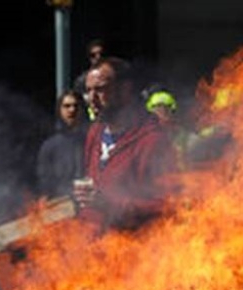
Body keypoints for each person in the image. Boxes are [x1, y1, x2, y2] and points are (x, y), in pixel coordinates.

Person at [73, 57, 177, 231]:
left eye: (100, 89)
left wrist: (110, 204)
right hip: (92, 249)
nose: (91, 99)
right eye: (88, 91)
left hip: (128, 250)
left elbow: (166, 206)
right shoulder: (95, 132)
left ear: (125, 89)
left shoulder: (152, 141)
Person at [34, 89, 87, 199]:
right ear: (59, 110)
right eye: (67, 106)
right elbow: (44, 183)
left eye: (76, 106)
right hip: (61, 206)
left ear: (82, 109)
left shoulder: (93, 141)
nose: (72, 110)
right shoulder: (49, 146)